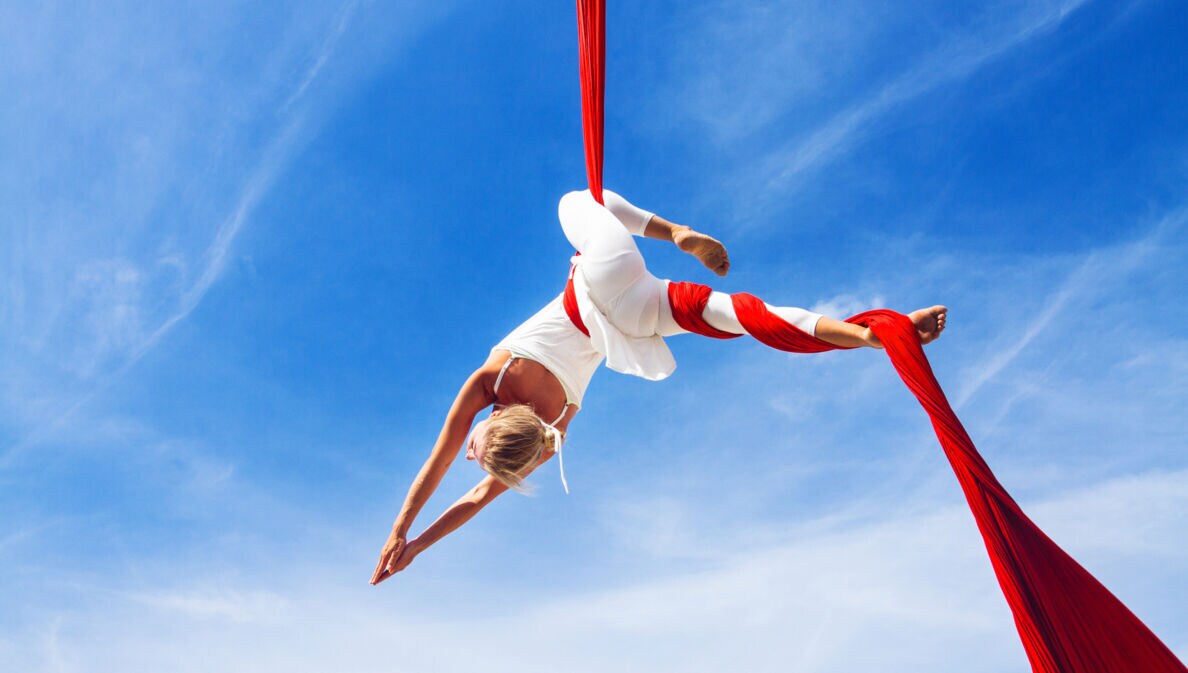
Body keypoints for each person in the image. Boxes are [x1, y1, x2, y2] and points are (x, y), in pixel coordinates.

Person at [370, 189, 946, 584]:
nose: (469, 454)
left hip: (635, 323)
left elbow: (473, 498)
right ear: (496, 421)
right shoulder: (491, 381)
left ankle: (873, 335)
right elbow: (439, 462)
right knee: (581, 201)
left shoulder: (551, 436)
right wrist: (400, 530)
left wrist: (417, 548)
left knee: (747, 317)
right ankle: (677, 232)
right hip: (602, 280)